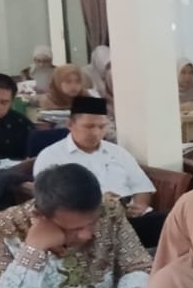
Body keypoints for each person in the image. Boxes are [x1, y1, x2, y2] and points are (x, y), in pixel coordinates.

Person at [0, 164, 150, 288]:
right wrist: (33, 249)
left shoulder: (109, 211)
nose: (87, 235)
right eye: (74, 229)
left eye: (93, 222)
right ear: (39, 216)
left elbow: (137, 264)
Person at [33, 97, 163, 246]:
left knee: (167, 222)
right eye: (89, 127)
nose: (96, 132)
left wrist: (140, 207)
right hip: (87, 226)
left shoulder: (118, 152)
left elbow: (142, 186)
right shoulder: (51, 156)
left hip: (130, 219)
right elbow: (51, 201)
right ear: (70, 124)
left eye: (102, 127)